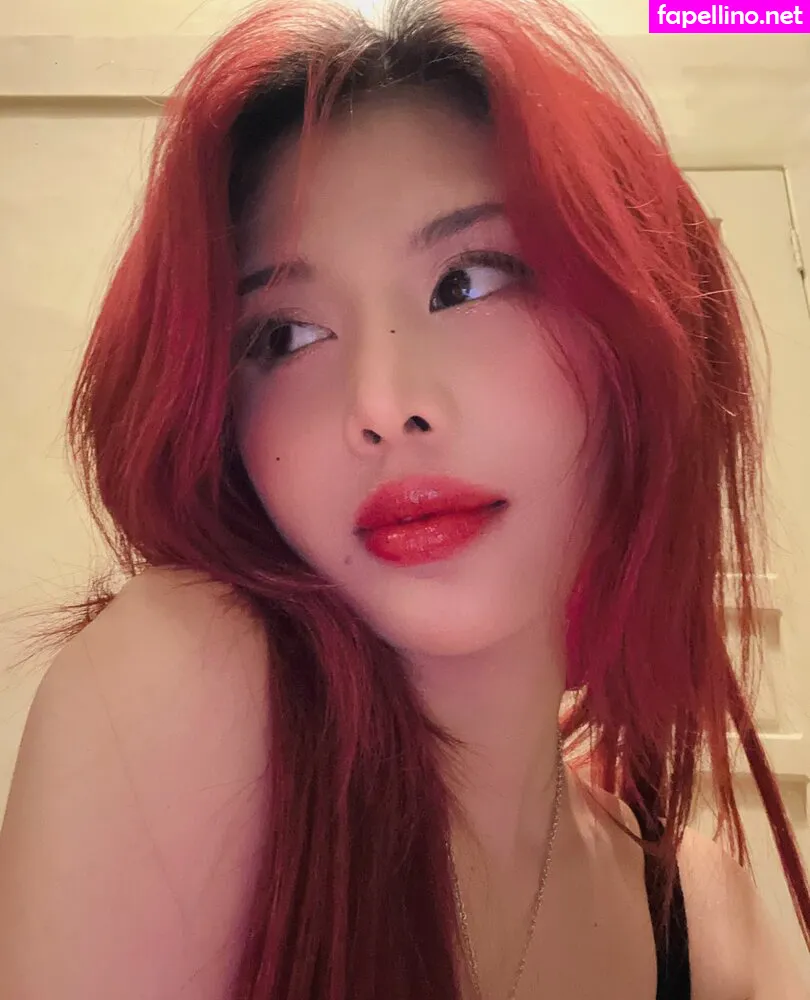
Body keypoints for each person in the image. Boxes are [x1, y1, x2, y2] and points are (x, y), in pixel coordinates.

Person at [0, 0, 808, 997]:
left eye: (466, 282)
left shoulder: (704, 918)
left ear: (633, 340)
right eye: (285, 337)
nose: (382, 407)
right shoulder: (188, 687)